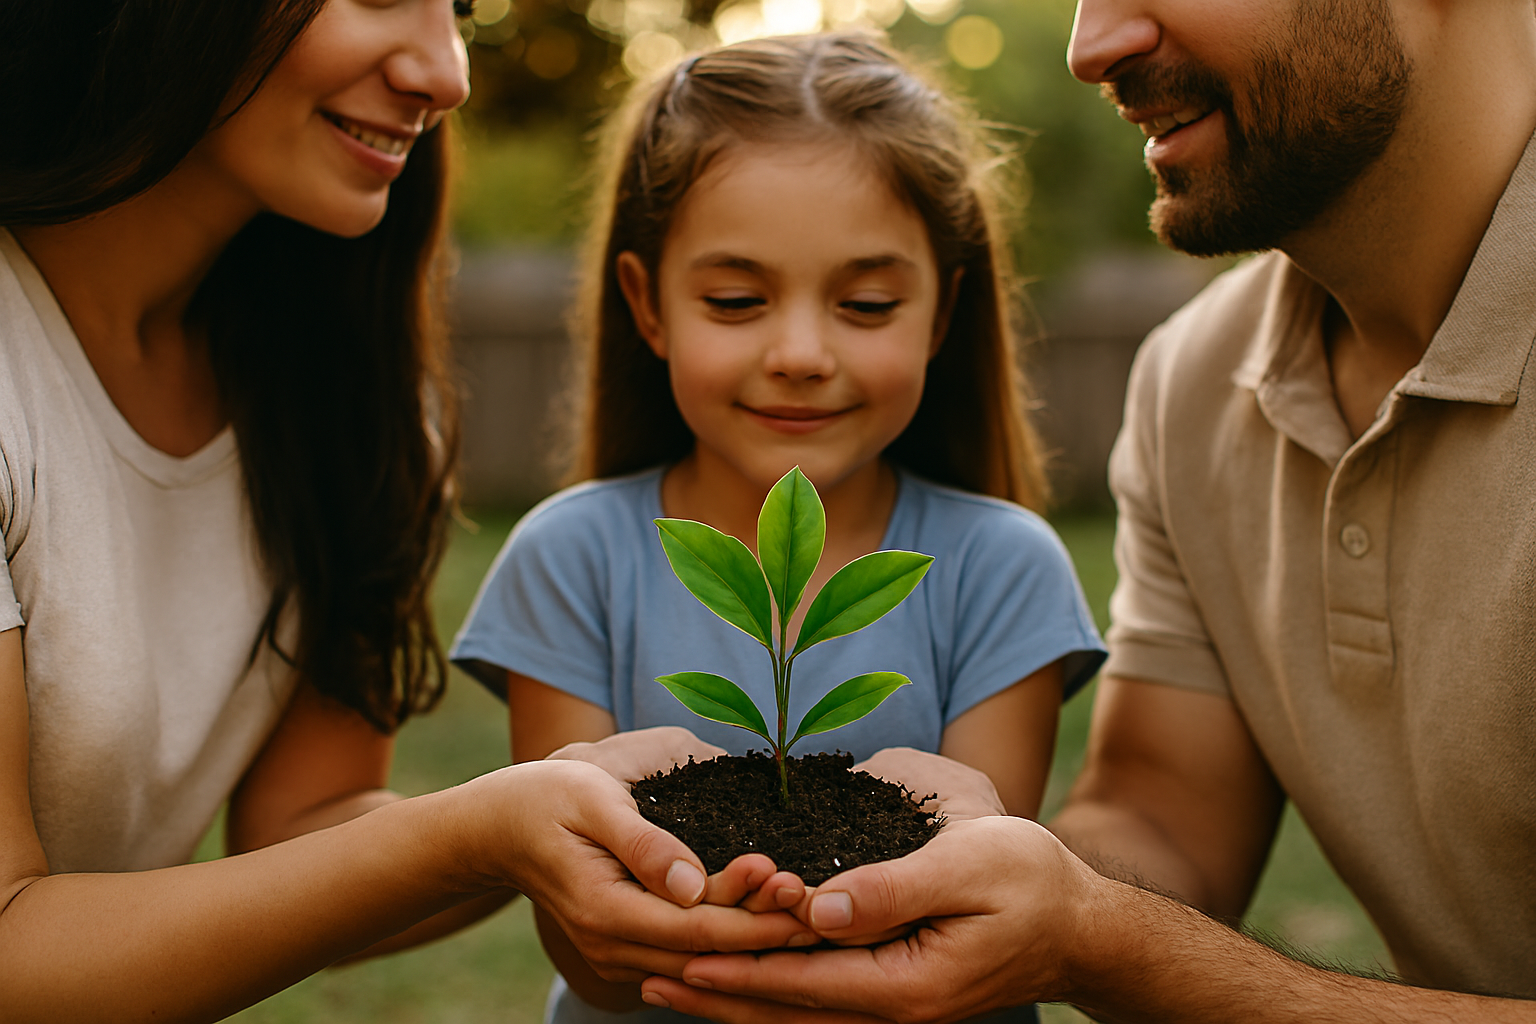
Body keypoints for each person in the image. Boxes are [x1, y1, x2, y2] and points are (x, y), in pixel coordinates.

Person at [631, 0, 1536, 1020]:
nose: (1088, 46)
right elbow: (1166, 819)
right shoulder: (1197, 382)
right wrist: (946, 867)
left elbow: (1109, 926)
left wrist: (1099, 937)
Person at [0, 3, 815, 1020]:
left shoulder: (337, 402)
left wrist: (584, 820)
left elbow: (307, 828)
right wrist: (483, 831)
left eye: (462, 9)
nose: (449, 73)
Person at [448, 32, 1107, 1024]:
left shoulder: (1001, 567)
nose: (800, 351)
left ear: (940, 313)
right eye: (738, 300)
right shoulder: (571, 559)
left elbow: (973, 913)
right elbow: (595, 959)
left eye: (868, 302)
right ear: (649, 303)